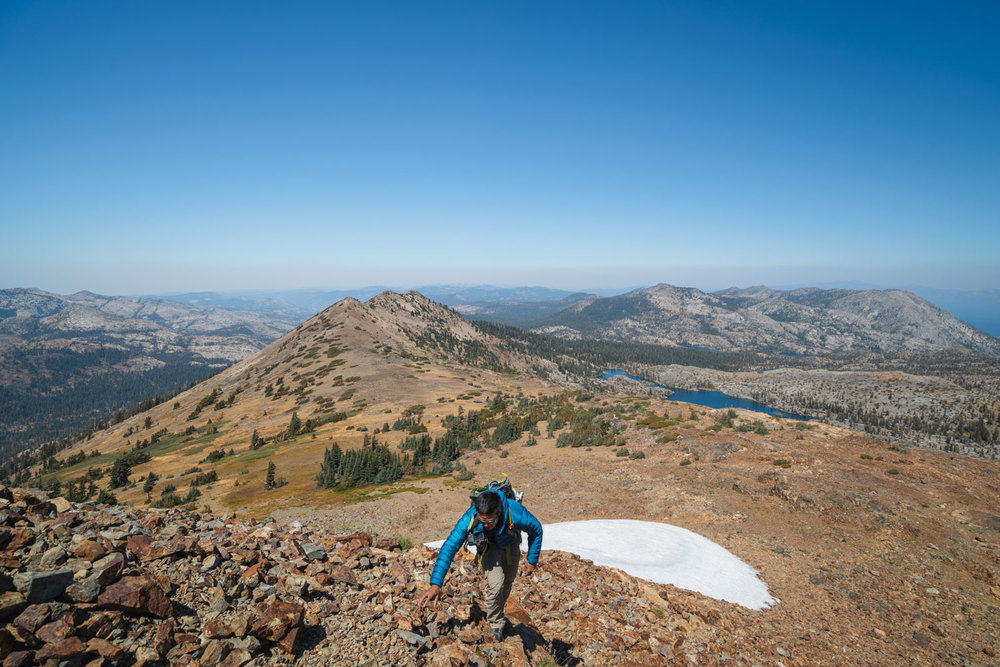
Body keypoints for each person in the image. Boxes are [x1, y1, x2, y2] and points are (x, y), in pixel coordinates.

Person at [418, 487, 542, 640]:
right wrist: (435, 584)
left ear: (499, 512)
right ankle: (496, 626)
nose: (485, 525)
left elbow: (536, 530)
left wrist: (531, 560)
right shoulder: (470, 518)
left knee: (507, 583)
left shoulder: (514, 511)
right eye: (482, 520)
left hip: (510, 543)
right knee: (496, 583)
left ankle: (497, 611)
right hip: (488, 546)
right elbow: (449, 547)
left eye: (490, 521)